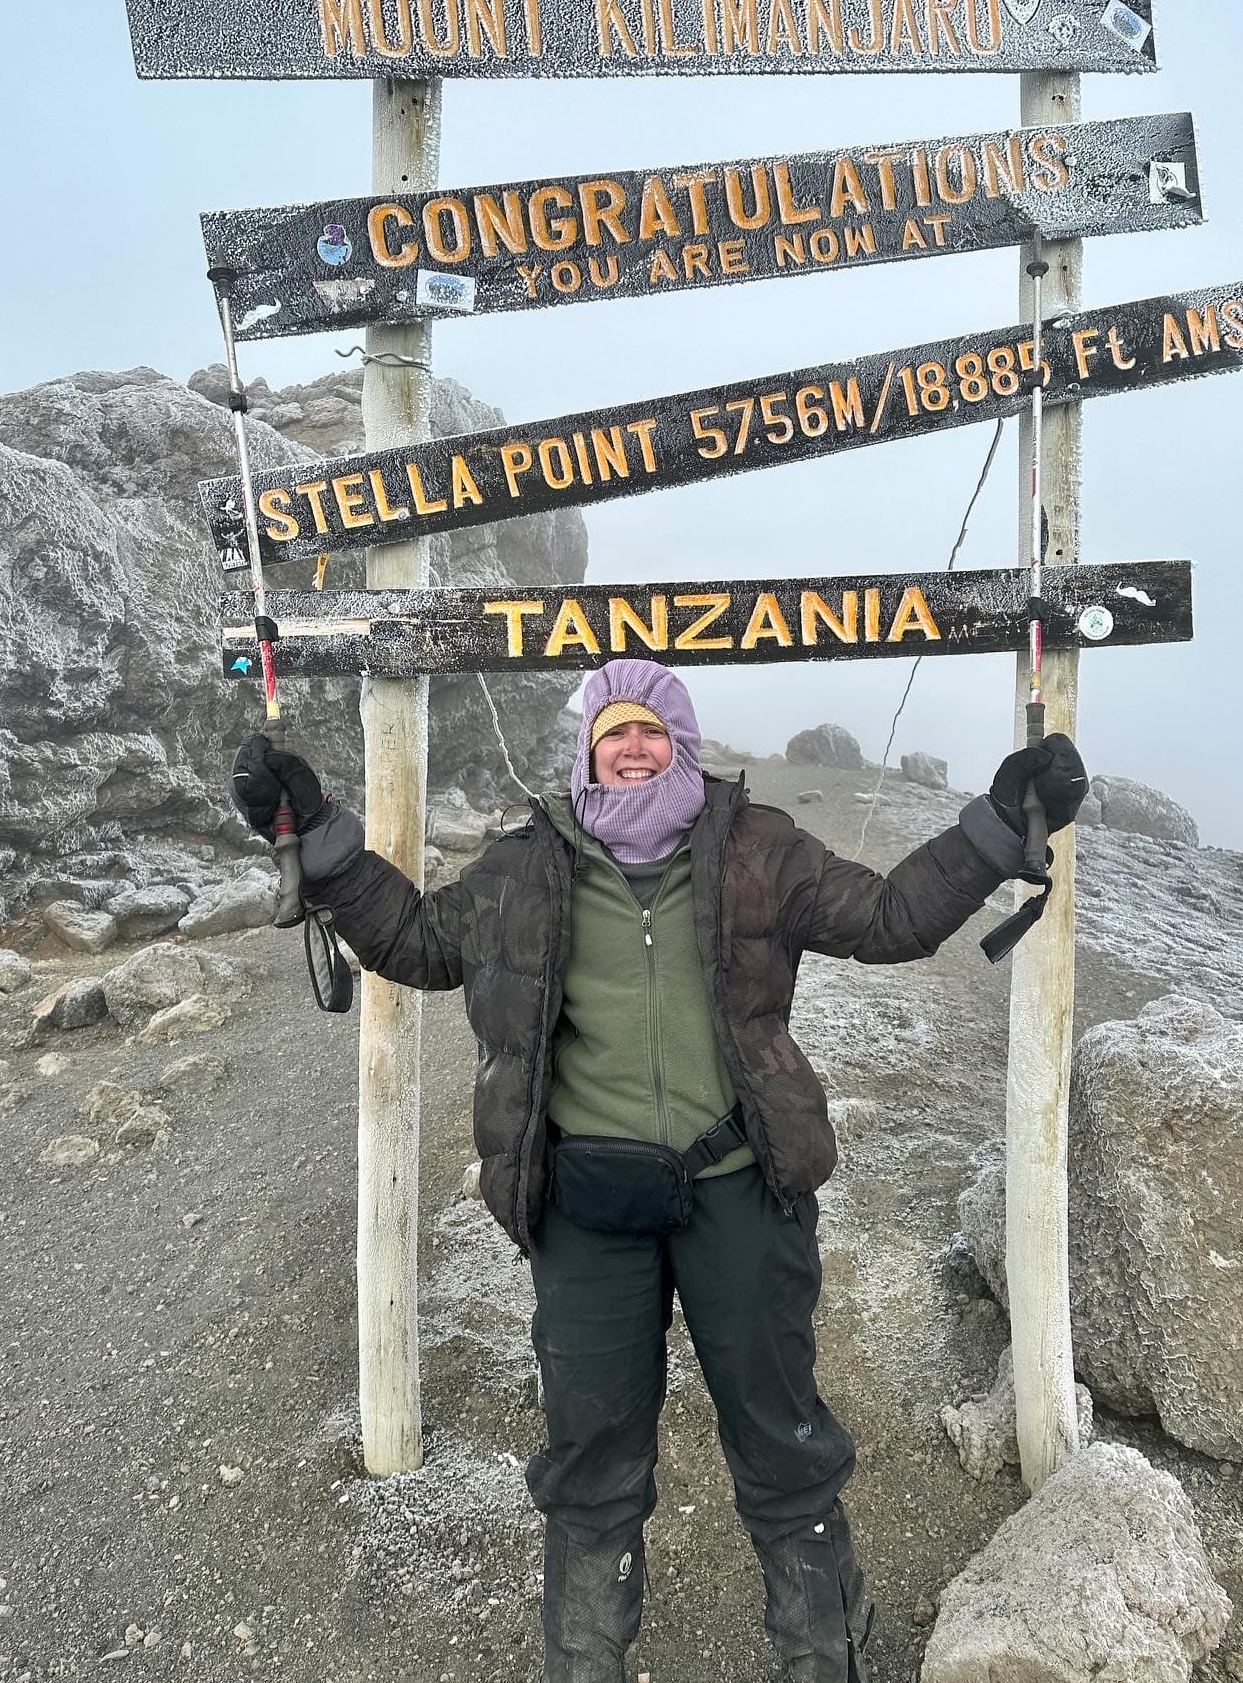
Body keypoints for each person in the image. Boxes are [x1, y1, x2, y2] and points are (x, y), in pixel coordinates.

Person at [231, 657, 1088, 1683]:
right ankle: (586, 1658)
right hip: (587, 1208)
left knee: (781, 1429)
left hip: (740, 1187)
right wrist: (318, 836)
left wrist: (998, 827)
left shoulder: (760, 849)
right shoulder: (524, 865)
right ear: (589, 747)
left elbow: (891, 920)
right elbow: (416, 941)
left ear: (680, 741)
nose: (631, 747)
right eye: (613, 731)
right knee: (591, 1451)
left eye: (651, 730)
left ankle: (823, 1645)